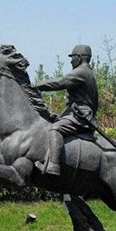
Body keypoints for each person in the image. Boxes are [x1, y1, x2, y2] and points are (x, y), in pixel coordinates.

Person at [33, 44, 99, 176]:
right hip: (80, 113)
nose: (71, 61)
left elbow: (59, 83)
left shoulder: (82, 72)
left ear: (79, 57)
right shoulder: (88, 72)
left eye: (72, 57)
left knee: (55, 129)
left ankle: (54, 165)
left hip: (80, 115)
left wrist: (34, 85)